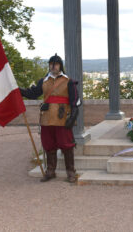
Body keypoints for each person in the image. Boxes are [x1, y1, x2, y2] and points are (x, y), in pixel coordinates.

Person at [20, 53, 81, 183]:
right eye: (51, 64)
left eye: (56, 64)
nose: (53, 66)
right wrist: (19, 90)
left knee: (66, 145)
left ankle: (71, 172)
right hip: (47, 118)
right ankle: (50, 171)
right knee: (49, 145)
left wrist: (72, 118)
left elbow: (75, 102)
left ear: (60, 66)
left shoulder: (68, 81)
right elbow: (33, 94)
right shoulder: (43, 81)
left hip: (62, 118)